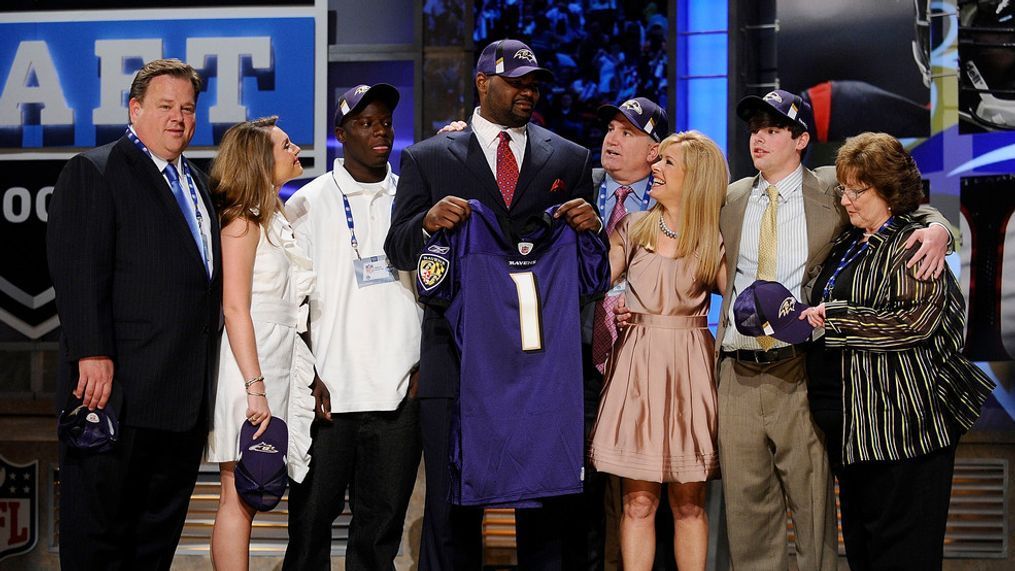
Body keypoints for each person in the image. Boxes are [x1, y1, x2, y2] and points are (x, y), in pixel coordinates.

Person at [384, 38, 601, 570]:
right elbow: (398, 245)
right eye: (517, 82)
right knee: (451, 505)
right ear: (483, 82)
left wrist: (592, 229)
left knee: (547, 502)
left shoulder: (569, 159)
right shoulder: (428, 157)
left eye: (534, 83)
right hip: (455, 357)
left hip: (539, 359)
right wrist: (428, 222)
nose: (529, 91)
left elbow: (586, 266)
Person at [716, 89, 954, 571]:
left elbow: (902, 207)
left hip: (812, 377)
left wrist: (939, 228)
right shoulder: (733, 196)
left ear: (802, 139)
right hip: (746, 376)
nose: (758, 140)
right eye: (754, 130)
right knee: (749, 517)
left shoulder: (829, 189)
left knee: (817, 521)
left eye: (773, 130)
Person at [47, 58, 222, 570]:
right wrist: (92, 351)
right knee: (99, 540)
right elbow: (79, 272)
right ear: (135, 108)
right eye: (166, 106)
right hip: (115, 397)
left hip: (179, 403)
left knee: (154, 545)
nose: (178, 118)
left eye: (187, 108)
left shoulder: (199, 184)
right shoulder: (97, 170)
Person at [800, 132, 994, 570]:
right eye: (844, 189)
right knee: (867, 556)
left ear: (889, 191)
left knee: (904, 557)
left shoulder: (913, 242)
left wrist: (836, 319)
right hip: (856, 434)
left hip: (903, 431)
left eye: (857, 190)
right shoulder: (850, 242)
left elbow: (912, 324)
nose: (847, 200)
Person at [283, 84, 423, 570]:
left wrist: (423, 368)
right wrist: (305, 375)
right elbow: (289, 302)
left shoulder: (412, 197)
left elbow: (435, 288)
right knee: (309, 531)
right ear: (342, 135)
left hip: (398, 395)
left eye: (385, 121)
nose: (379, 130)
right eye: (365, 123)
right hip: (328, 397)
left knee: (378, 538)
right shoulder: (307, 202)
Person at [590, 131, 726, 571]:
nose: (656, 168)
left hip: (690, 368)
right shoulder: (634, 227)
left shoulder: (714, 238)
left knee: (689, 504)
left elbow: (745, 296)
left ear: (695, 177)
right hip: (638, 368)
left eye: (667, 163)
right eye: (658, 161)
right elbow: (594, 280)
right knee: (638, 502)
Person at [204, 116, 315, 569]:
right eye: (285, 145)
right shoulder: (241, 224)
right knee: (239, 491)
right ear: (259, 160)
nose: (295, 150)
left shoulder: (273, 217)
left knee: (255, 487)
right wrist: (255, 387)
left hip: (276, 363)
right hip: (248, 369)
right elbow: (234, 308)